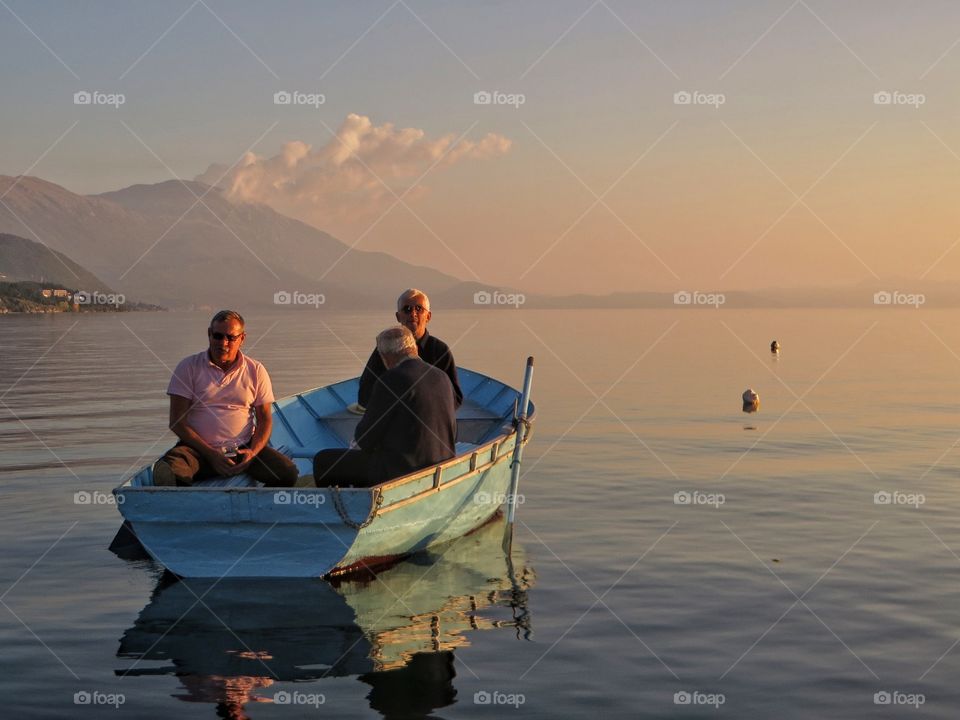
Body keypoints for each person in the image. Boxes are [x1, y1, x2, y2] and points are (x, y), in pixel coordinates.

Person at [152, 310, 298, 488]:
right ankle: (185, 499)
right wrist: (211, 454)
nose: (223, 343)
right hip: (198, 451)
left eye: (231, 337)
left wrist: (252, 452)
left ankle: (256, 501)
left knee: (287, 473)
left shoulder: (256, 370)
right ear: (209, 334)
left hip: (243, 449)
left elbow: (265, 420)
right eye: (218, 336)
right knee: (172, 469)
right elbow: (177, 422)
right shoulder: (188, 367)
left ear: (242, 338)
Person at [313, 326, 456, 488]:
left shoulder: (392, 379)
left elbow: (365, 439)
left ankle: (344, 502)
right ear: (414, 348)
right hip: (442, 465)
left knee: (323, 461)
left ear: (386, 357)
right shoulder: (442, 377)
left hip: (403, 471)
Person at [357, 289, 463, 409]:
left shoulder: (440, 351)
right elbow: (365, 395)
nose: (413, 313)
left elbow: (455, 399)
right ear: (398, 316)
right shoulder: (385, 349)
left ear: (428, 316)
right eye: (407, 309)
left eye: (419, 309)